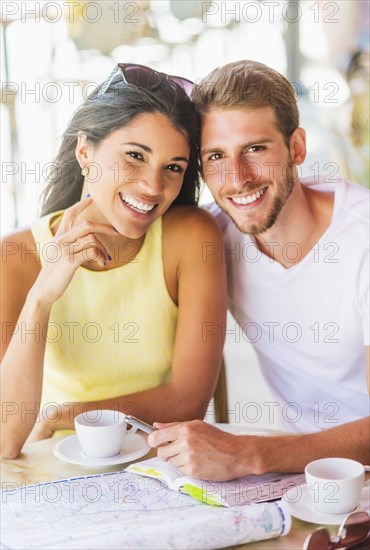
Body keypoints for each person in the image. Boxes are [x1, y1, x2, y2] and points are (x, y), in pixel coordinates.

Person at [148, 60, 370, 481]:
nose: (238, 179)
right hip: (300, 483)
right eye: (216, 156)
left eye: (255, 149)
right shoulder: (213, 236)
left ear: (297, 148)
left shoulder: (363, 238)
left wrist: (252, 454)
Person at [0, 63, 227, 459]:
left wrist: (63, 415)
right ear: (85, 151)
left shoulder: (191, 237)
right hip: (54, 478)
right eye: (135, 156)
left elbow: (188, 402)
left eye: (173, 167)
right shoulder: (15, 256)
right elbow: (4, 440)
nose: (153, 186)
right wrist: (42, 296)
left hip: (162, 470)